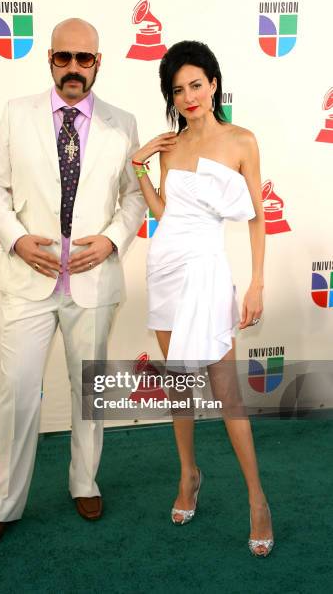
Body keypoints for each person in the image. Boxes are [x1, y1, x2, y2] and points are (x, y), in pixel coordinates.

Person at [0, 18, 146, 546]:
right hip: (30, 277)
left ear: (99, 62)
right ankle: (3, 502)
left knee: (88, 392)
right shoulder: (15, 113)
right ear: (49, 58)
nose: (74, 67)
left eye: (84, 58)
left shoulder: (123, 122)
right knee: (18, 391)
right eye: (63, 57)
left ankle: (84, 481)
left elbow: (135, 196)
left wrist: (114, 239)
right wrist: (17, 239)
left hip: (93, 283)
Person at [132, 40, 274, 557]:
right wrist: (140, 166)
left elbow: (259, 216)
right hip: (165, 268)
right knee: (179, 386)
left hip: (208, 272)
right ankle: (189, 474)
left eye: (196, 84)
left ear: (213, 83)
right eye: (178, 89)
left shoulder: (242, 140)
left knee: (227, 393)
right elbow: (166, 212)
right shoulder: (172, 145)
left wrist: (257, 282)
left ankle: (257, 500)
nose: (188, 97)